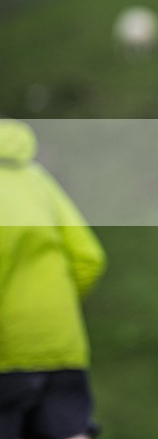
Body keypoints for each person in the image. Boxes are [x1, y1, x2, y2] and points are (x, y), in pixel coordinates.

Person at [0, 119, 106, 439]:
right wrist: (54, 309)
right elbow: (88, 258)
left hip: (8, 351)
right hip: (61, 344)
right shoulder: (37, 179)